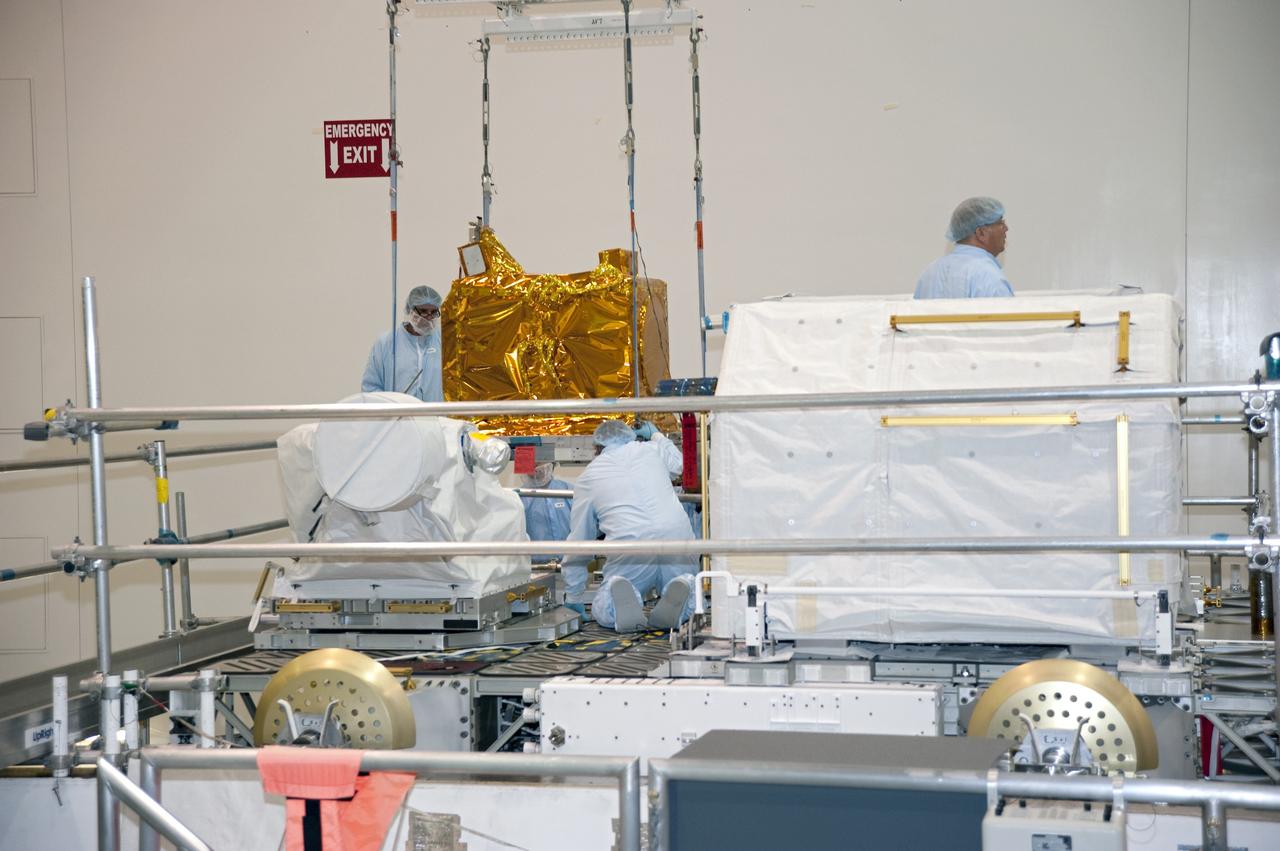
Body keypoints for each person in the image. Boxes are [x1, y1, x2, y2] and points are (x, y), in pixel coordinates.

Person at [562, 419, 698, 631]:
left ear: (597, 447)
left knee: (607, 611)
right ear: (631, 436)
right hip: (676, 536)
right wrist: (656, 435)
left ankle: (617, 598)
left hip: (632, 543)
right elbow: (680, 465)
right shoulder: (650, 449)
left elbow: (580, 540)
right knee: (685, 594)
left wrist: (574, 593)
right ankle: (682, 588)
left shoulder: (588, 476)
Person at [914, 197, 1014, 299]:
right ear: (981, 233)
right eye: (1000, 223)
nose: (1006, 228)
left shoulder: (929, 273)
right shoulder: (989, 277)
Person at [361, 285, 444, 402]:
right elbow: (370, 389)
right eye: (423, 312)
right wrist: (391, 408)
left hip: (436, 417)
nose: (429, 318)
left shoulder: (444, 342)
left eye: (434, 312)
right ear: (410, 310)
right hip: (399, 418)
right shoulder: (386, 343)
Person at [520, 461, 573, 566]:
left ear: (551, 465)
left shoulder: (568, 490)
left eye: (538, 465)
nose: (534, 470)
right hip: (536, 566)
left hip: (570, 563)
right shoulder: (521, 496)